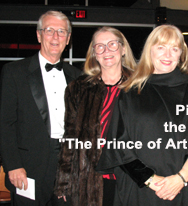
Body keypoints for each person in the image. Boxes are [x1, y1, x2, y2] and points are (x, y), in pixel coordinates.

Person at [96, 24, 188, 206]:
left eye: (174, 49)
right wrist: (151, 180)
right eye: (161, 47)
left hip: (184, 187)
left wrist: (181, 178)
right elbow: (119, 144)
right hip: (141, 189)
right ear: (150, 50)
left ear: (181, 53)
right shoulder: (130, 91)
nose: (168, 55)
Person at [0, 10, 81, 206]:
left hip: (68, 167)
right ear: (38, 35)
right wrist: (14, 165)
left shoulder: (78, 76)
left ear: (68, 38)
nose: (55, 37)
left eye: (61, 32)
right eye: (49, 30)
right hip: (28, 168)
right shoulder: (14, 72)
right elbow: (5, 123)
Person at [54, 26, 136, 206]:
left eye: (112, 44)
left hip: (130, 177)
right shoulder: (78, 88)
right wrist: (63, 183)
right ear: (94, 54)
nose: (106, 51)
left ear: (123, 49)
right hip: (88, 179)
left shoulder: (140, 87)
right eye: (100, 46)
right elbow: (69, 137)